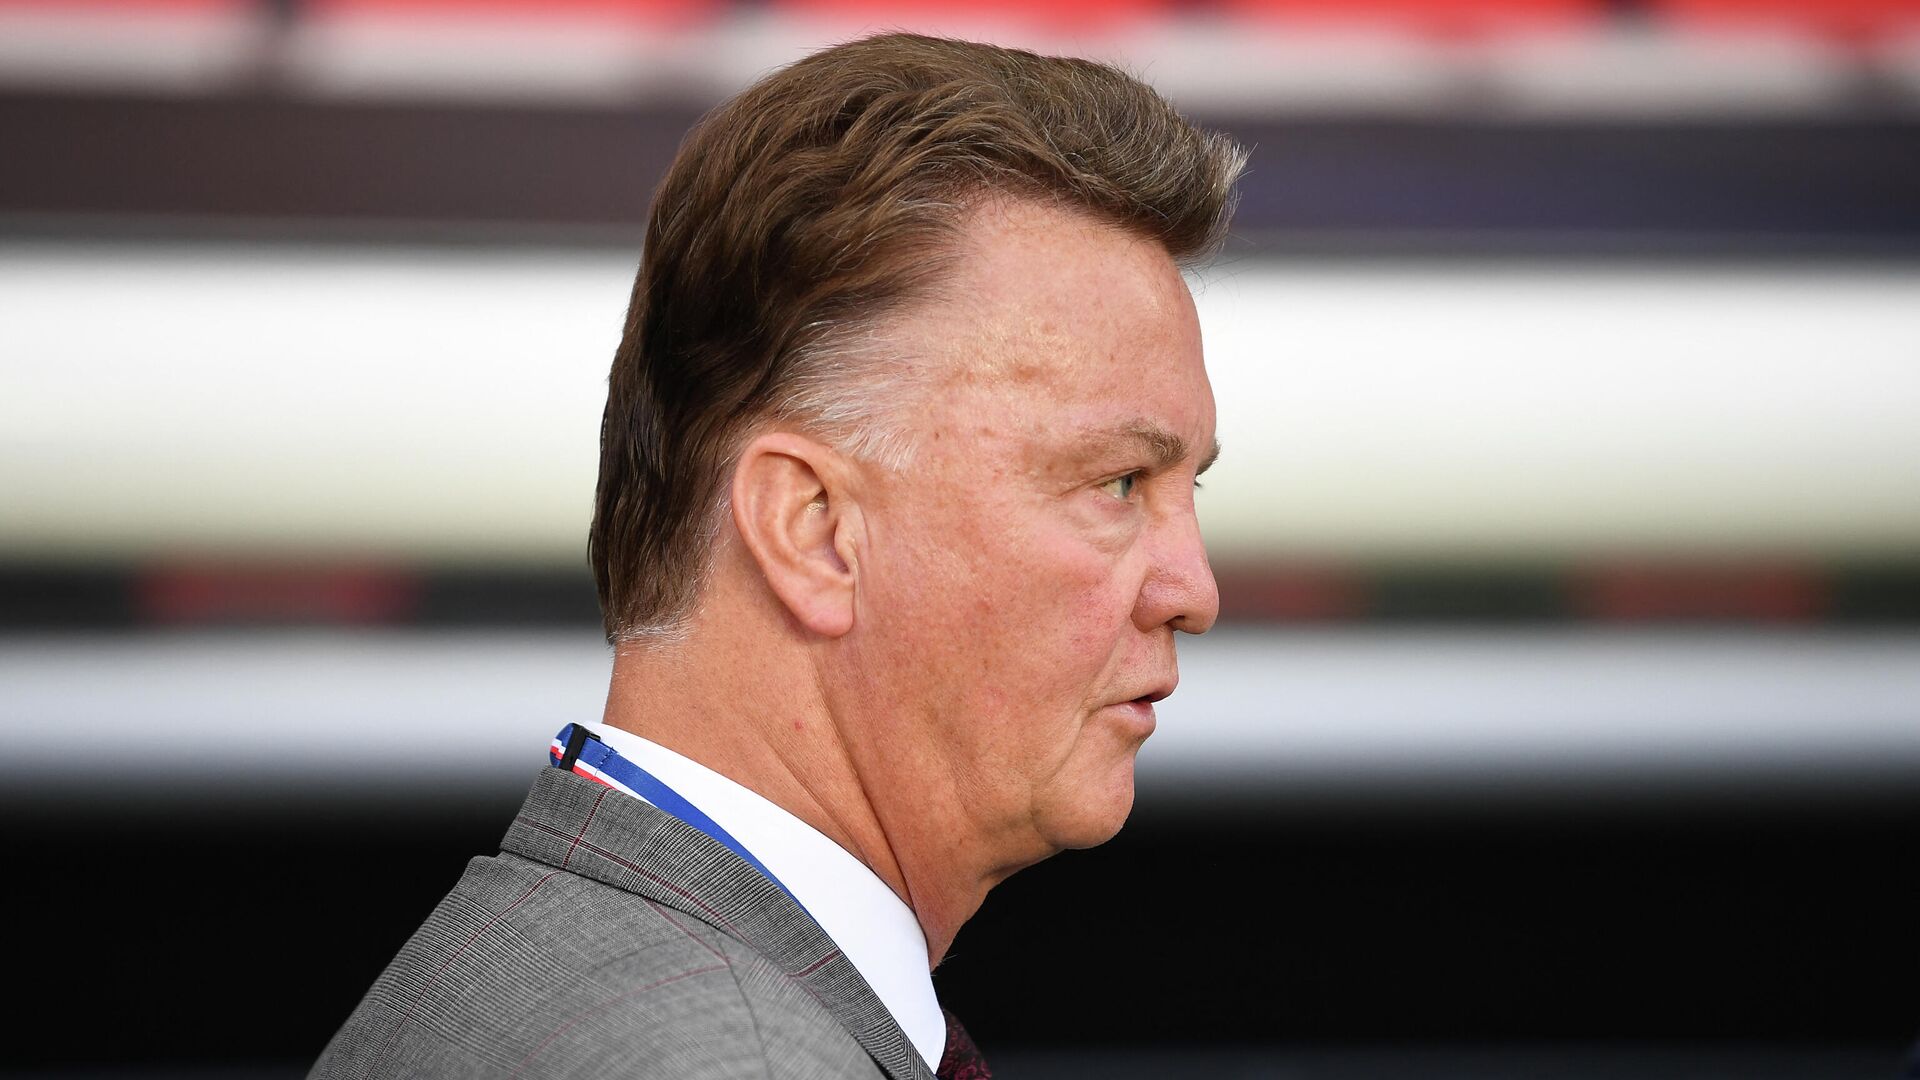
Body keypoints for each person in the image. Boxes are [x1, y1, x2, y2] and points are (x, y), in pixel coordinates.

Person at [309, 31, 1243, 1080]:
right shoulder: (725, 1059)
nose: (1193, 592)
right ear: (811, 529)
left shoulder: (536, 971)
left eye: (1186, 488)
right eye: (1118, 483)